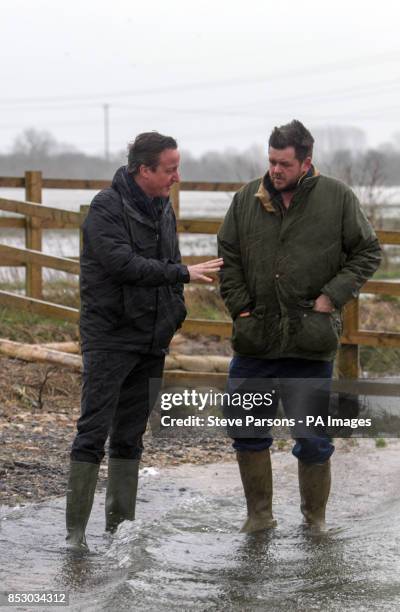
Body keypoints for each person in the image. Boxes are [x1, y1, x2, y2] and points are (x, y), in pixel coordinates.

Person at [217, 120, 381, 532]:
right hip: (256, 341)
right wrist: (240, 309)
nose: (275, 170)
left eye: (284, 163)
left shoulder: (337, 198)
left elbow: (367, 251)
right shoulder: (245, 199)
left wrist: (332, 297)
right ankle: (258, 518)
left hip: (310, 342)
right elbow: (228, 256)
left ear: (307, 162)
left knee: (312, 439)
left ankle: (315, 523)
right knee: (248, 433)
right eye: (271, 161)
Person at [66, 131, 223, 551]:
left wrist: (174, 312)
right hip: (110, 337)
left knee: (130, 438)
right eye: (170, 169)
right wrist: (182, 275)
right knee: (92, 432)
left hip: (151, 338)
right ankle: (75, 538)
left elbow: (168, 262)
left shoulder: (163, 208)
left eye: (177, 167)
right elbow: (122, 264)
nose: (176, 176)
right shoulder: (106, 207)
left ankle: (119, 533)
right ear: (143, 170)